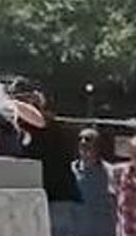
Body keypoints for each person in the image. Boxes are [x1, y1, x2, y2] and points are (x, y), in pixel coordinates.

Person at [19, 92, 82, 236]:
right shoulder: (24, 133)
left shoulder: (49, 124)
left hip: (59, 200)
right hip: (46, 199)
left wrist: (9, 103)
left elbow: (37, 119)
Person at [73, 128, 116, 236]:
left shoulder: (112, 173)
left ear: (97, 146)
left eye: (88, 139)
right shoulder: (70, 172)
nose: (83, 142)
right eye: (80, 139)